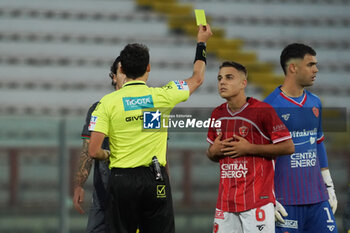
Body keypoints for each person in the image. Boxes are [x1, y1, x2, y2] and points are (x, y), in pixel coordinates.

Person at [88, 24, 212, 233]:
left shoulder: (106, 103)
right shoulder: (162, 96)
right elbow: (197, 78)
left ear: (122, 70)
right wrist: (202, 42)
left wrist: (107, 153)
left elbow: (93, 151)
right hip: (155, 179)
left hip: (121, 180)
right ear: (148, 68)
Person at [206, 61, 295, 233]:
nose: (222, 82)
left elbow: (288, 147)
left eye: (229, 77)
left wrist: (249, 148)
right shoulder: (217, 114)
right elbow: (211, 154)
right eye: (219, 78)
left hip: (257, 201)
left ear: (243, 83)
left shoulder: (263, 110)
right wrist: (213, 152)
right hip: (225, 204)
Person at [264, 43, 338, 233]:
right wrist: (265, 197)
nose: (316, 69)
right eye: (310, 64)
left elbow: (318, 143)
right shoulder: (269, 107)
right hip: (285, 202)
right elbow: (261, 158)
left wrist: (329, 186)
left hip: (318, 199)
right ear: (293, 68)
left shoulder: (315, 102)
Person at [73, 56, 125, 233]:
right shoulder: (99, 108)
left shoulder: (148, 108)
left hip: (133, 194)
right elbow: (87, 150)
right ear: (114, 76)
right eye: (122, 71)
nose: (126, 76)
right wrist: (79, 185)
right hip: (102, 196)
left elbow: (160, 152)